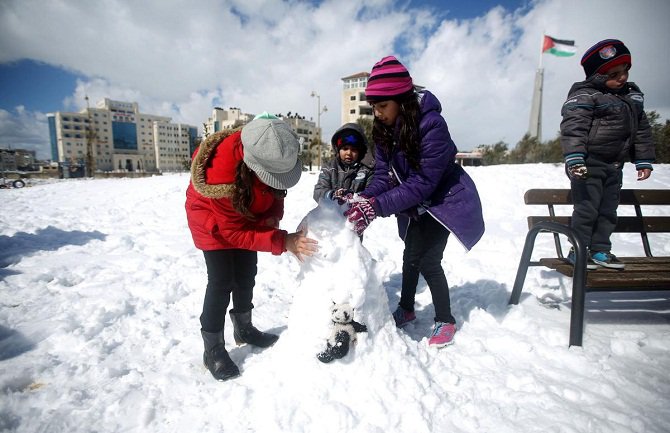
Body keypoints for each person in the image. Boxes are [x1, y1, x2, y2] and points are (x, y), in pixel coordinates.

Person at [343, 55, 485, 348]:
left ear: (402, 100)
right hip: (416, 203)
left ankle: (445, 319)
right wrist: (365, 197)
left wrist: (377, 207)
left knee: (429, 261)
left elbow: (423, 182)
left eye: (383, 106)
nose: (377, 113)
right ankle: (407, 309)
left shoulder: (432, 125)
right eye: (374, 107)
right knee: (410, 256)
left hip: (443, 201)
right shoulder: (383, 129)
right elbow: (383, 174)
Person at [185, 113, 318, 381]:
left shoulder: (271, 148)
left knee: (246, 273)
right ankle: (212, 349)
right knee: (222, 281)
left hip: (245, 213)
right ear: (253, 164)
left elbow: (276, 192)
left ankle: (243, 329)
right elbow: (233, 232)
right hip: (212, 221)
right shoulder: (221, 178)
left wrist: (271, 220)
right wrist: (282, 240)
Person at [560, 39, 654, 270]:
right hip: (587, 163)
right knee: (587, 208)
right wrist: (575, 159)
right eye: (614, 74)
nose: (621, 77)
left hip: (614, 165)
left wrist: (643, 160)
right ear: (597, 76)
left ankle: (601, 250)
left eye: (624, 71)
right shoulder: (585, 96)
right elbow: (574, 128)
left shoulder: (632, 97)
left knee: (608, 210)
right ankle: (579, 250)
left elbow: (641, 129)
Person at [313, 122, 374, 204]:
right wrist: (332, 195)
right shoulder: (329, 168)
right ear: (338, 150)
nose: (349, 153)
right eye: (345, 148)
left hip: (357, 214)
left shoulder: (367, 170)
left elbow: (372, 193)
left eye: (353, 150)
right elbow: (318, 192)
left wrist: (354, 197)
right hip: (330, 214)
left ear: (360, 152)